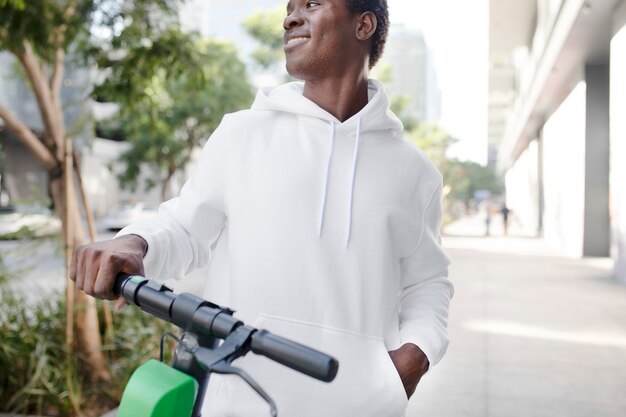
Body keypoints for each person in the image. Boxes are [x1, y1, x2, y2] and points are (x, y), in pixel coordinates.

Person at [70, 1, 454, 416]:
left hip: (362, 405)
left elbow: (427, 284)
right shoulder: (242, 133)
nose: (290, 17)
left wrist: (414, 357)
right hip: (238, 399)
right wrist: (134, 242)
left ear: (364, 24)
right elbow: (184, 227)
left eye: (312, 4)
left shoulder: (415, 172)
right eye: (290, 8)